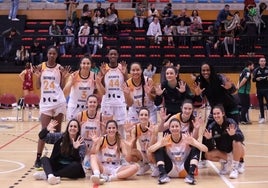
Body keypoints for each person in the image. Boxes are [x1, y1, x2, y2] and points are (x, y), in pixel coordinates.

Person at [32, 46, 71, 168]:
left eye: (54, 53)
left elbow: (61, 86)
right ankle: (38, 158)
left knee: (58, 131)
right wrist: (38, 77)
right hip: (46, 103)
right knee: (44, 130)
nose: (52, 55)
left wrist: (64, 78)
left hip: (58, 102)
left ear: (57, 55)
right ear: (47, 54)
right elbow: (38, 86)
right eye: (50, 53)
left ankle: (56, 156)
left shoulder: (60, 68)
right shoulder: (41, 67)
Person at [148, 118, 208, 184]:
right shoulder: (166, 139)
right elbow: (150, 150)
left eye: (176, 126)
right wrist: (160, 145)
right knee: (158, 148)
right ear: (169, 129)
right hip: (170, 169)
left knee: (196, 147)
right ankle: (162, 175)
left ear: (180, 128)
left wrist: (194, 143)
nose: (174, 128)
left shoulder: (187, 138)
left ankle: (191, 175)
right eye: (172, 127)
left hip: (185, 169)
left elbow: (205, 149)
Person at [33, 119, 86, 185]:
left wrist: (75, 149)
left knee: (76, 166)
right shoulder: (60, 136)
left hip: (70, 168)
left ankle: (49, 175)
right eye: (71, 126)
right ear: (68, 128)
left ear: (78, 129)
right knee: (44, 159)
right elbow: (41, 137)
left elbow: (79, 160)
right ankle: (50, 176)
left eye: (75, 126)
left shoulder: (81, 142)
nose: (73, 128)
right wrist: (46, 129)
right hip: (56, 165)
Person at [89, 120, 139, 185]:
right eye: (109, 128)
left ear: (116, 129)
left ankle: (108, 178)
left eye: (113, 128)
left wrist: (129, 147)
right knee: (92, 156)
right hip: (103, 167)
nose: (111, 130)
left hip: (116, 168)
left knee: (136, 167)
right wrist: (94, 143)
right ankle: (97, 175)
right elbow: (93, 153)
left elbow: (128, 159)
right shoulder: (102, 139)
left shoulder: (120, 141)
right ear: (106, 130)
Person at [203, 105, 245, 179]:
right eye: (214, 114)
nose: (216, 116)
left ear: (223, 113)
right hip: (224, 152)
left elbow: (242, 138)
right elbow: (210, 148)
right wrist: (209, 139)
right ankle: (229, 162)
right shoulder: (211, 127)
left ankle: (235, 168)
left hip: (237, 150)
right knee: (207, 155)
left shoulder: (230, 122)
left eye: (218, 113)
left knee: (236, 141)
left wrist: (233, 135)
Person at [63, 56, 104, 121]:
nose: (86, 65)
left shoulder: (93, 76)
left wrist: (99, 84)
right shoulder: (74, 75)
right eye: (84, 63)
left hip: (87, 107)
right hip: (74, 106)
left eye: (88, 63)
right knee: (73, 129)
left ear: (91, 65)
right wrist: (71, 82)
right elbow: (65, 93)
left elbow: (103, 94)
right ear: (80, 64)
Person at [99, 47, 128, 138]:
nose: (113, 56)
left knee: (121, 126)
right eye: (111, 54)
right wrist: (103, 75)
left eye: (115, 54)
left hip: (120, 100)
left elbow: (127, 83)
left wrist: (124, 74)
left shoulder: (121, 67)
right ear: (108, 56)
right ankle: (105, 145)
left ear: (118, 55)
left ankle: (121, 147)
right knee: (105, 126)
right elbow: (102, 86)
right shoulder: (104, 67)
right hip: (107, 100)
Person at [76, 94, 105, 170]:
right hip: (83, 144)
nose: (92, 104)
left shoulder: (101, 116)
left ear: (97, 104)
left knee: (94, 165)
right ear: (87, 103)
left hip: (95, 145)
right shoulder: (80, 115)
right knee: (81, 166)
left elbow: (104, 134)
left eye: (94, 102)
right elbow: (75, 132)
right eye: (90, 102)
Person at [128, 107, 159, 176]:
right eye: (141, 115)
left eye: (145, 115)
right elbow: (132, 145)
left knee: (149, 150)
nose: (143, 117)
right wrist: (128, 133)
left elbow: (154, 145)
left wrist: (153, 135)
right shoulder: (135, 129)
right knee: (131, 152)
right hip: (143, 153)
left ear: (149, 116)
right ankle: (144, 165)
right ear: (138, 117)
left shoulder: (154, 127)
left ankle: (156, 167)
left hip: (153, 152)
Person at [252, 57, 268, 124]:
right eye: (261, 61)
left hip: (267, 89)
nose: (263, 62)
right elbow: (253, 80)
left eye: (264, 61)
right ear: (259, 62)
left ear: (265, 62)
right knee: (261, 104)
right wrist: (257, 79)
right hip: (259, 89)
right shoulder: (256, 70)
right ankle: (262, 117)